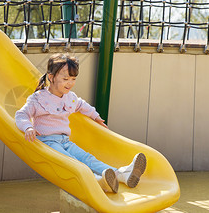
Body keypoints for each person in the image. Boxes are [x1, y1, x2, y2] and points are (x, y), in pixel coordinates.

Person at [15, 53, 146, 193]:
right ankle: (98, 181)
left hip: (65, 141)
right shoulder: (38, 98)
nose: (70, 83)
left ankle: (121, 174)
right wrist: (28, 127)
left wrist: (95, 116)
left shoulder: (69, 97)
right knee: (73, 162)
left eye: (73, 79)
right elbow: (21, 115)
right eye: (65, 78)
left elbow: (82, 105)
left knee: (87, 158)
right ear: (51, 77)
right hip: (47, 143)